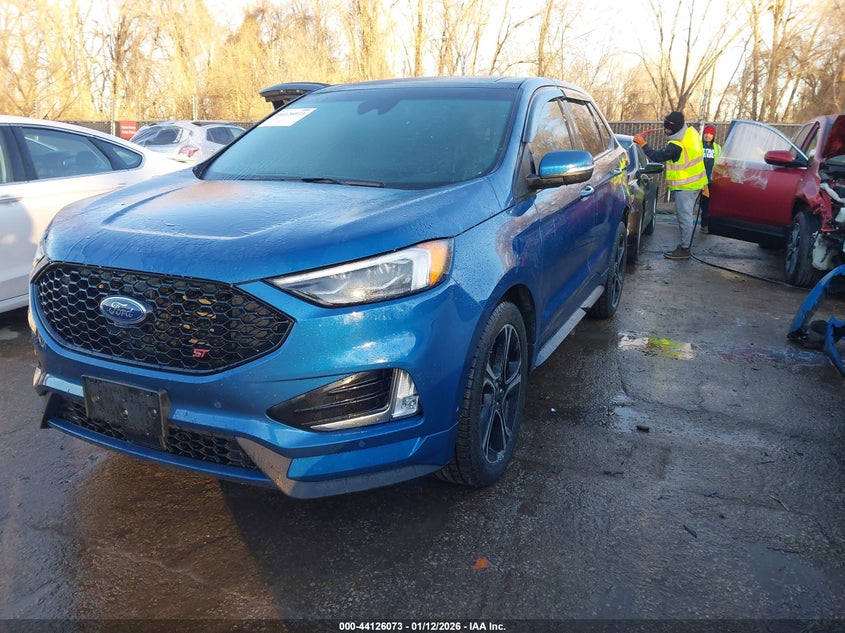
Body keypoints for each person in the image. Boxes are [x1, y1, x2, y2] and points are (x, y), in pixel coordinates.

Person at [633, 111, 708, 260]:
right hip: (698, 183)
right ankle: (685, 246)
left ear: (673, 128)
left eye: (667, 129)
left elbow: (657, 157)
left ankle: (685, 249)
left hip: (686, 186)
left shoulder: (676, 145)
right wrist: (704, 184)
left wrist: (643, 144)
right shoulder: (692, 133)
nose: (665, 131)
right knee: (686, 216)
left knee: (684, 217)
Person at [699, 124, 722, 233]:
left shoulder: (717, 148)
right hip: (697, 179)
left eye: (710, 134)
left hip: (709, 181)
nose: (708, 135)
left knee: (706, 205)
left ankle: (704, 226)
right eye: (706, 133)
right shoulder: (698, 145)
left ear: (714, 136)